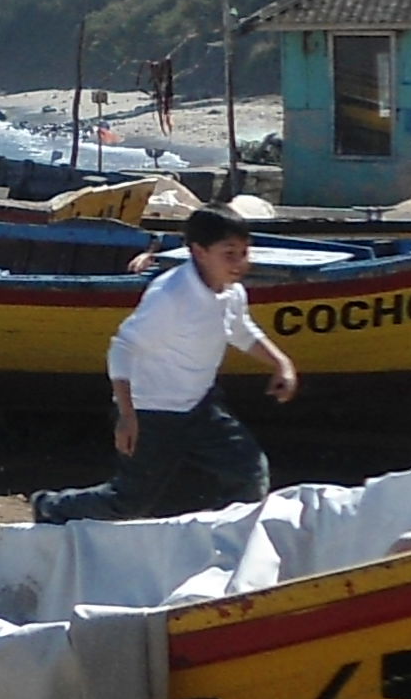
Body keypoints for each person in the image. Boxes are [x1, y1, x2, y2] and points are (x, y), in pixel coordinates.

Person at [31, 207, 302, 525]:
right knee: (130, 503)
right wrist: (127, 416)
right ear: (199, 252)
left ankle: (229, 538)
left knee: (250, 473)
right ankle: (50, 507)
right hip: (152, 413)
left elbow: (240, 329)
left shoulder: (232, 292)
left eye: (244, 253)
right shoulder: (171, 296)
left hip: (201, 406)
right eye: (230, 254)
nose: (242, 263)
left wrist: (281, 362)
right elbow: (122, 349)